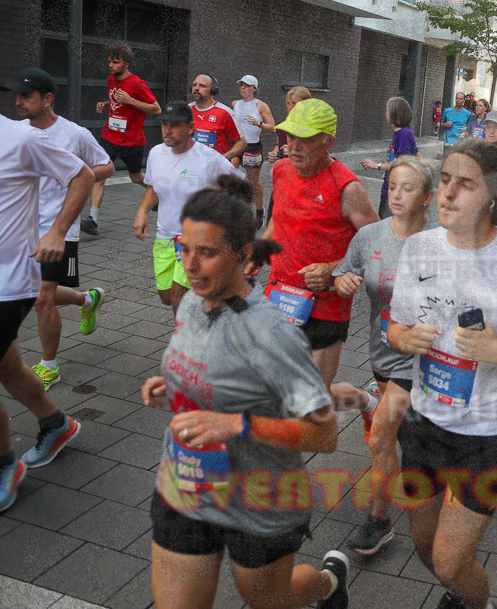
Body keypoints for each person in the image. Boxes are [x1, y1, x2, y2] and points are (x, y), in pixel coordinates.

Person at [140, 175, 351, 609]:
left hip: (261, 499)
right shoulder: (193, 304)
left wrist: (235, 424)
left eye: (207, 253)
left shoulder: (272, 333)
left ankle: (330, 584)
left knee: (268, 599)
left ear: (244, 255)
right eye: (185, 249)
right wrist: (173, 388)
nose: (190, 265)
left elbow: (323, 436)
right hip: (188, 484)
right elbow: (209, 374)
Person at [388, 138, 497, 609]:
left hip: (489, 432)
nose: (446, 194)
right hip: (423, 422)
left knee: (449, 563)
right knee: (424, 547)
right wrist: (404, 340)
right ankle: (461, 593)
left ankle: (478, 603)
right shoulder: (419, 249)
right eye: (444, 181)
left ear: (490, 195)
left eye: (464, 184)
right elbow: (396, 326)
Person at [332, 157, 437, 556]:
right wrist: (342, 281)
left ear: (427, 197)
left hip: (426, 357)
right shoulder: (370, 237)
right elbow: (344, 273)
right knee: (403, 437)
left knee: (380, 437)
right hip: (382, 352)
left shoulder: (443, 241)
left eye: (407, 188)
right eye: (392, 186)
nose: (396, 194)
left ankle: (378, 520)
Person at [263, 99, 380, 432]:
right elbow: (278, 217)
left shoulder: (348, 188)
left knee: (310, 402)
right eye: (289, 137)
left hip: (325, 304)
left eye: (305, 139)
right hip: (280, 294)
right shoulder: (280, 169)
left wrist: (334, 267)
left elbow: (378, 245)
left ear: (328, 140)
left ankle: (365, 400)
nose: (293, 146)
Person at [0, 111, 94, 513]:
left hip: (11, 278)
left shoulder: (20, 138)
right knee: (6, 366)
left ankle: (5, 466)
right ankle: (56, 424)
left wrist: (57, 231)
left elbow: (84, 175)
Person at [8, 68, 114, 389]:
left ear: (48, 99)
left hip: (60, 228)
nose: (18, 102)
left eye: (27, 96)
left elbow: (106, 165)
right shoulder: (15, 132)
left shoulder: (75, 134)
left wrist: (73, 177)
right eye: (16, 96)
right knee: (38, 293)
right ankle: (88, 299)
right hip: (20, 227)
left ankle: (49, 365)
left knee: (43, 299)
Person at [134, 102, 243, 315]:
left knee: (179, 297)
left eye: (175, 125)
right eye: (164, 124)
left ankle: (185, 345)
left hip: (197, 241)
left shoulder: (209, 158)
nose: (167, 130)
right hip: (165, 237)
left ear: (190, 128)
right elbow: (153, 187)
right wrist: (142, 211)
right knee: (167, 296)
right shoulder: (157, 153)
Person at [84, 42, 161, 236]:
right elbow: (116, 99)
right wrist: (105, 104)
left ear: (126, 64)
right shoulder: (111, 80)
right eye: (109, 61)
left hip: (132, 140)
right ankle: (92, 219)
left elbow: (156, 109)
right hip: (109, 136)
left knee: (135, 177)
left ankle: (158, 193)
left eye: (115, 62)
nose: (111, 65)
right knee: (100, 173)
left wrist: (131, 100)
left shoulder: (137, 83)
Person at [360, 96, 418, 220]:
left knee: (388, 229)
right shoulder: (401, 133)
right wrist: (389, 172)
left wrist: (377, 166)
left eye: (388, 110)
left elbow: (402, 163)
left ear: (395, 113)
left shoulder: (404, 134)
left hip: (397, 192)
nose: (386, 113)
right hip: (391, 187)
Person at [232, 75, 276, 228]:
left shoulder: (260, 106)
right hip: (238, 145)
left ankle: (258, 210)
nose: (243, 88)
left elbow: (273, 128)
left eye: (247, 85)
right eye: (241, 85)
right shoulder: (235, 104)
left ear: (254, 89)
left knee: (253, 183)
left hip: (253, 147)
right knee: (231, 169)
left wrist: (258, 123)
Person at [266, 86, 312, 223]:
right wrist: (275, 153)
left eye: (295, 104)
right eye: (288, 103)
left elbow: (320, 154)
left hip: (302, 179)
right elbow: (279, 144)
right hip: (283, 177)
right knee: (274, 219)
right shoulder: (283, 125)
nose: (291, 107)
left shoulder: (312, 127)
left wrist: (298, 152)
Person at [190, 74, 245, 166]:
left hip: (216, 170)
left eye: (202, 86)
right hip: (192, 167)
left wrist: (223, 158)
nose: (196, 88)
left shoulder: (225, 113)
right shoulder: (186, 110)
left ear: (213, 90)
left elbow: (241, 142)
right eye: (194, 85)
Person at [440, 93, 472, 158]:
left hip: (460, 141)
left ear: (464, 100)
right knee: (446, 160)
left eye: (460, 99)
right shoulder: (447, 111)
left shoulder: (468, 113)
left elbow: (471, 126)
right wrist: (446, 124)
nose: (458, 100)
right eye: (457, 98)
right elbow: (441, 123)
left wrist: (466, 129)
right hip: (448, 140)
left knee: (458, 161)